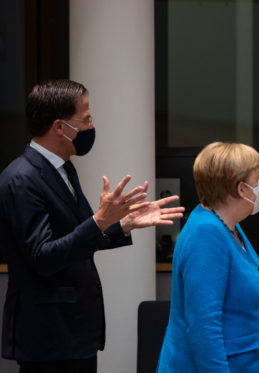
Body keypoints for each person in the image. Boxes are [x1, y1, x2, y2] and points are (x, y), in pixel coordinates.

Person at [0, 79, 185, 373]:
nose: (91, 126)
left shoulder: (62, 168)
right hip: (48, 336)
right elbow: (43, 257)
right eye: (85, 119)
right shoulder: (21, 179)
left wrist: (122, 224)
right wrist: (100, 220)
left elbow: (81, 236)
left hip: (74, 333)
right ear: (59, 127)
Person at [156, 142, 259, 373]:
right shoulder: (206, 233)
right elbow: (204, 326)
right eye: (256, 180)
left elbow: (225, 297)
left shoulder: (227, 226)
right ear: (241, 189)